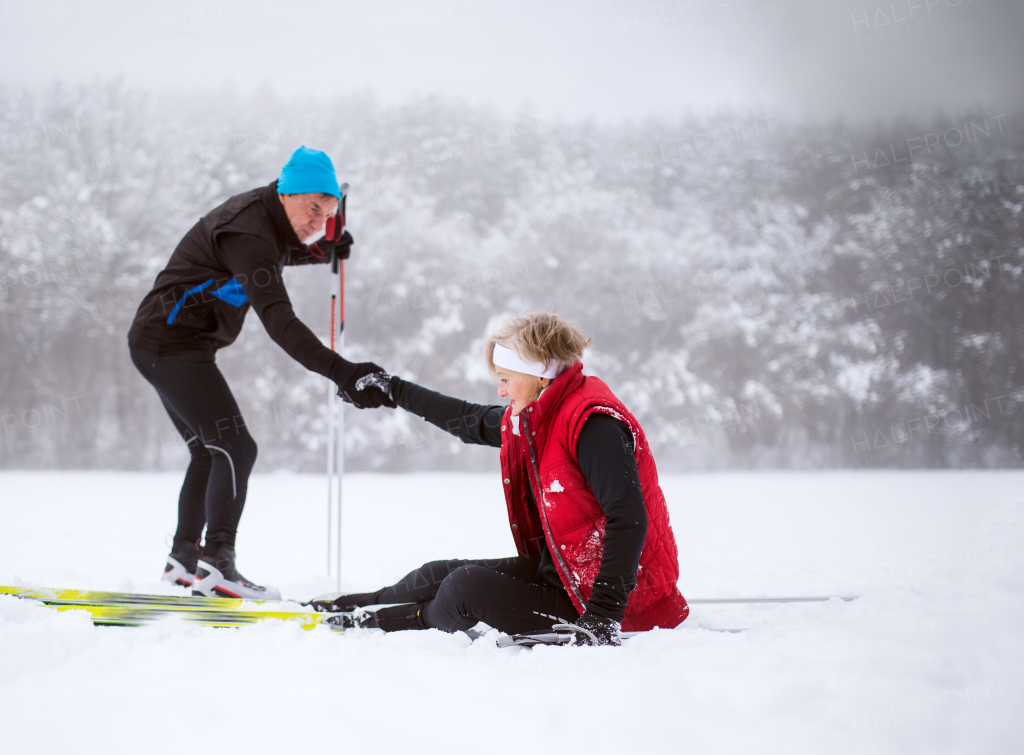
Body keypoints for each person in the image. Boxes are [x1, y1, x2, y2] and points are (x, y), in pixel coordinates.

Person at [317, 312, 689, 645]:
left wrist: (603, 618)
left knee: (465, 589)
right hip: (567, 574)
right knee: (437, 575)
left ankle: (373, 624)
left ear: (540, 371)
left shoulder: (593, 424)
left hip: (611, 603)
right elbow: (467, 419)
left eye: (506, 378)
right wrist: (391, 388)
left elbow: (630, 519)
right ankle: (346, 606)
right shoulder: (539, 417)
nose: (501, 390)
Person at [128, 146, 394, 601]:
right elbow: (279, 319)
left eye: (329, 214)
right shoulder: (248, 229)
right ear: (286, 193)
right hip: (170, 344)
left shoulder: (266, 222)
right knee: (235, 446)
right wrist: (342, 371)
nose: (320, 222)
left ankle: (183, 564)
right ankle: (217, 566)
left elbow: (274, 255)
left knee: (211, 452)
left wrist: (320, 250)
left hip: (172, 343)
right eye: (314, 208)